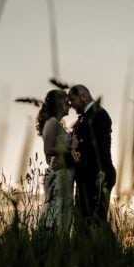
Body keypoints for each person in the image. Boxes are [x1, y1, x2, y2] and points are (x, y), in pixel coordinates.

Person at [66, 84, 117, 229]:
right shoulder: (82, 119)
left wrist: (78, 145)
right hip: (85, 178)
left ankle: (112, 251)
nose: (72, 106)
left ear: (83, 96)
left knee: (96, 223)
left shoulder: (100, 115)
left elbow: (97, 146)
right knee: (83, 224)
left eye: (73, 101)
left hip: (98, 176)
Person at [36, 89, 76, 232]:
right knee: (57, 215)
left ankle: (58, 248)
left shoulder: (58, 124)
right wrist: (72, 148)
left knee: (63, 215)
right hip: (59, 176)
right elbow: (49, 154)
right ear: (59, 103)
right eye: (66, 101)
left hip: (65, 177)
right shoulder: (52, 122)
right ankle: (52, 247)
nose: (69, 104)